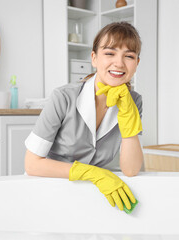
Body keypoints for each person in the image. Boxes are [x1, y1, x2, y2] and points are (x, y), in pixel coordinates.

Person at [24, 22, 143, 211]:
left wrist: (128, 113)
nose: (119, 63)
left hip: (92, 194)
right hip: (49, 189)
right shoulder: (63, 97)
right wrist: (92, 173)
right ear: (94, 58)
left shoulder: (133, 101)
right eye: (110, 53)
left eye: (129, 56)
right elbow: (32, 164)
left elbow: (131, 169)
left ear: (136, 64)